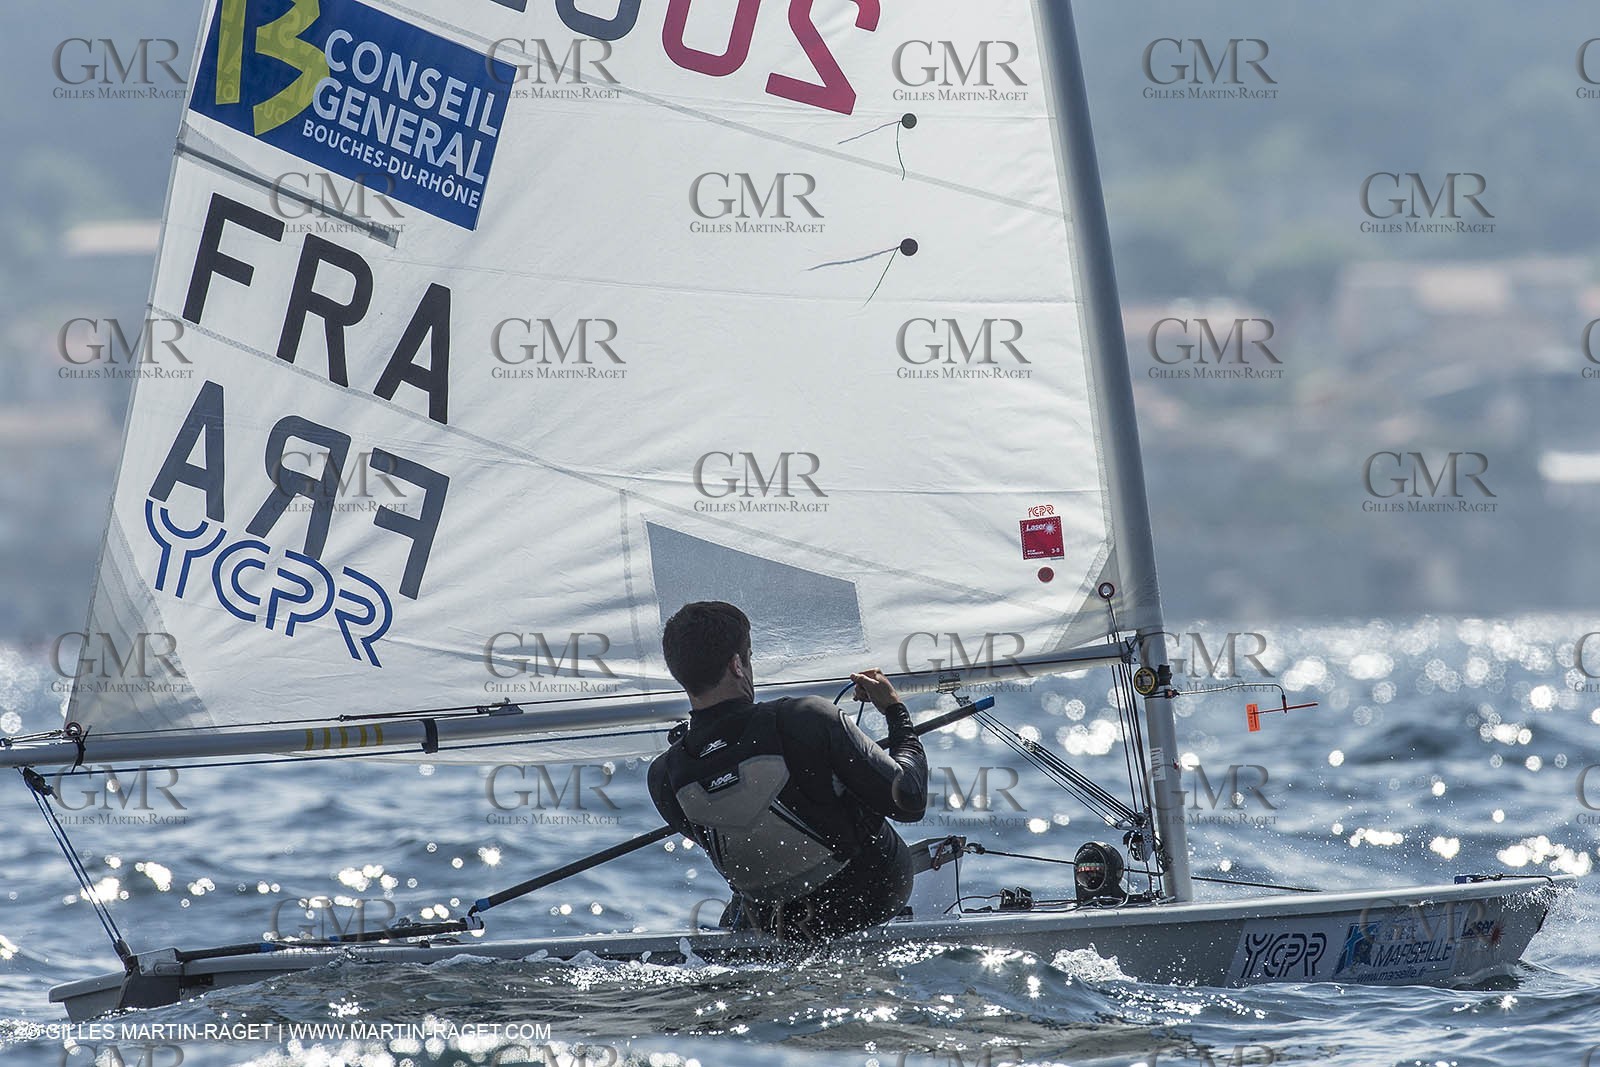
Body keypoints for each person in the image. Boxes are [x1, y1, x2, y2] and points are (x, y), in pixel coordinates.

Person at [648, 601, 928, 940]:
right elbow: (909, 800)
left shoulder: (664, 776)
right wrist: (895, 710)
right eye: (749, 656)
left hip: (774, 924)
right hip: (867, 901)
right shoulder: (806, 718)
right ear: (738, 664)